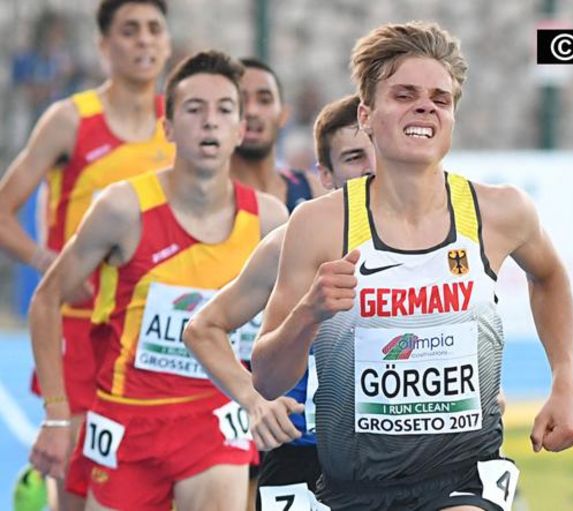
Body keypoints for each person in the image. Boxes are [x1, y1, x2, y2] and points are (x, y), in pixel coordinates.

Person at [252, 21, 573, 510]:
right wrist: (308, 314)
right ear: (366, 115)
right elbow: (267, 379)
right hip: (353, 489)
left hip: (463, 474)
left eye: (440, 99)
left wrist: (564, 381)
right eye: (404, 94)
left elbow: (549, 276)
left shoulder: (499, 212)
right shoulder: (319, 225)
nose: (425, 107)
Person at [28, 49, 292, 511]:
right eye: (195, 109)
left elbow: (289, 320)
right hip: (127, 422)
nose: (210, 121)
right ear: (167, 127)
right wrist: (56, 413)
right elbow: (46, 300)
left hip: (214, 421)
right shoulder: (122, 208)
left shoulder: (270, 220)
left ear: (238, 129)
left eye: (224, 110)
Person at [0, 1, 173, 509]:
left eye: (154, 29)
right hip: (79, 326)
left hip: (153, 331)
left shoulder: (180, 121)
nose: (144, 40)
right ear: (103, 45)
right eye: (130, 30)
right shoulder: (70, 121)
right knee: (78, 479)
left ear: (167, 43)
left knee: (153, 479)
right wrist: (48, 263)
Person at [183, 93, 375, 511]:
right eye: (354, 157)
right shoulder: (290, 244)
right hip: (304, 458)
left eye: (377, 149)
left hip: (406, 457)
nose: (371, 166)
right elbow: (202, 328)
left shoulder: (433, 240)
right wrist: (254, 401)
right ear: (326, 175)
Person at [231, 58, 326, 211]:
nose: (251, 111)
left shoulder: (314, 193)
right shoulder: (205, 200)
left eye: (264, 100)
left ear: (284, 115)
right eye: (240, 101)